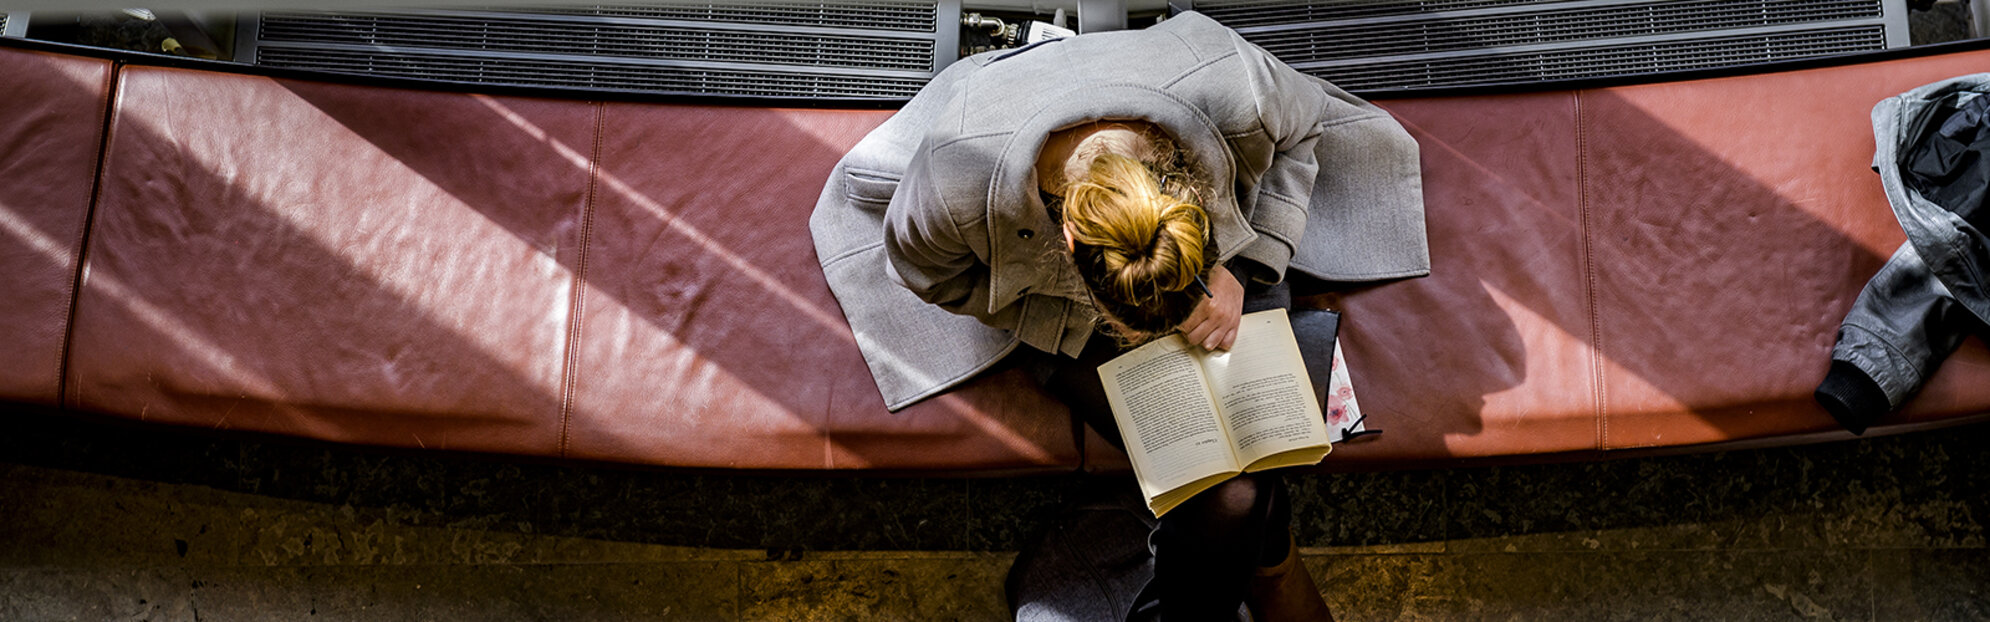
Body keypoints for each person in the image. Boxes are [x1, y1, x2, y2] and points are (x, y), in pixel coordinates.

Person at [810, 11, 1430, 620]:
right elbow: (928, 275)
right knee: (1231, 488)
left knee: (1254, 461)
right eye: (1131, 329)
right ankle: (1271, 565)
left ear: (1193, 211)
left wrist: (1253, 257)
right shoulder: (955, 184)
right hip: (1057, 313)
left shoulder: (1240, 89)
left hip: (1198, 264)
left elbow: (1306, 129)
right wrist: (1058, 321)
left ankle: (1253, 572)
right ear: (1068, 244)